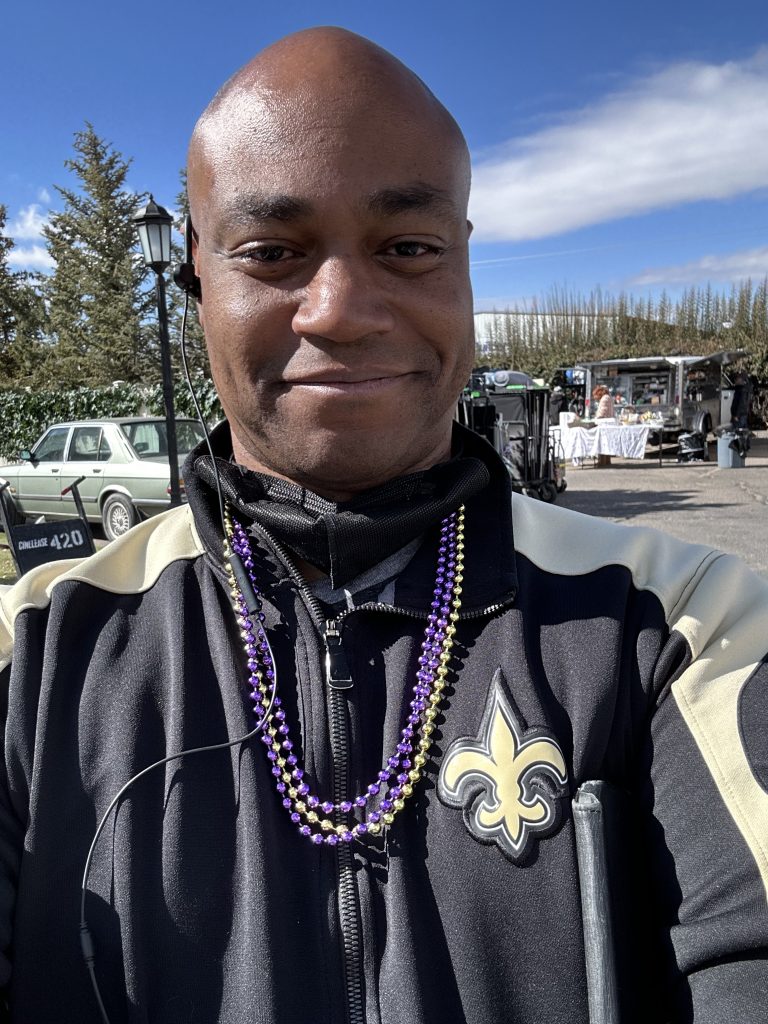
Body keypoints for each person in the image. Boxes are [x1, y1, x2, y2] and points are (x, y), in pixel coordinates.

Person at [0, 28, 767, 1024]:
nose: (342, 310)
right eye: (272, 252)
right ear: (197, 278)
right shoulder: (39, 651)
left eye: (407, 248)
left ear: (465, 264)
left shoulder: (685, 623)